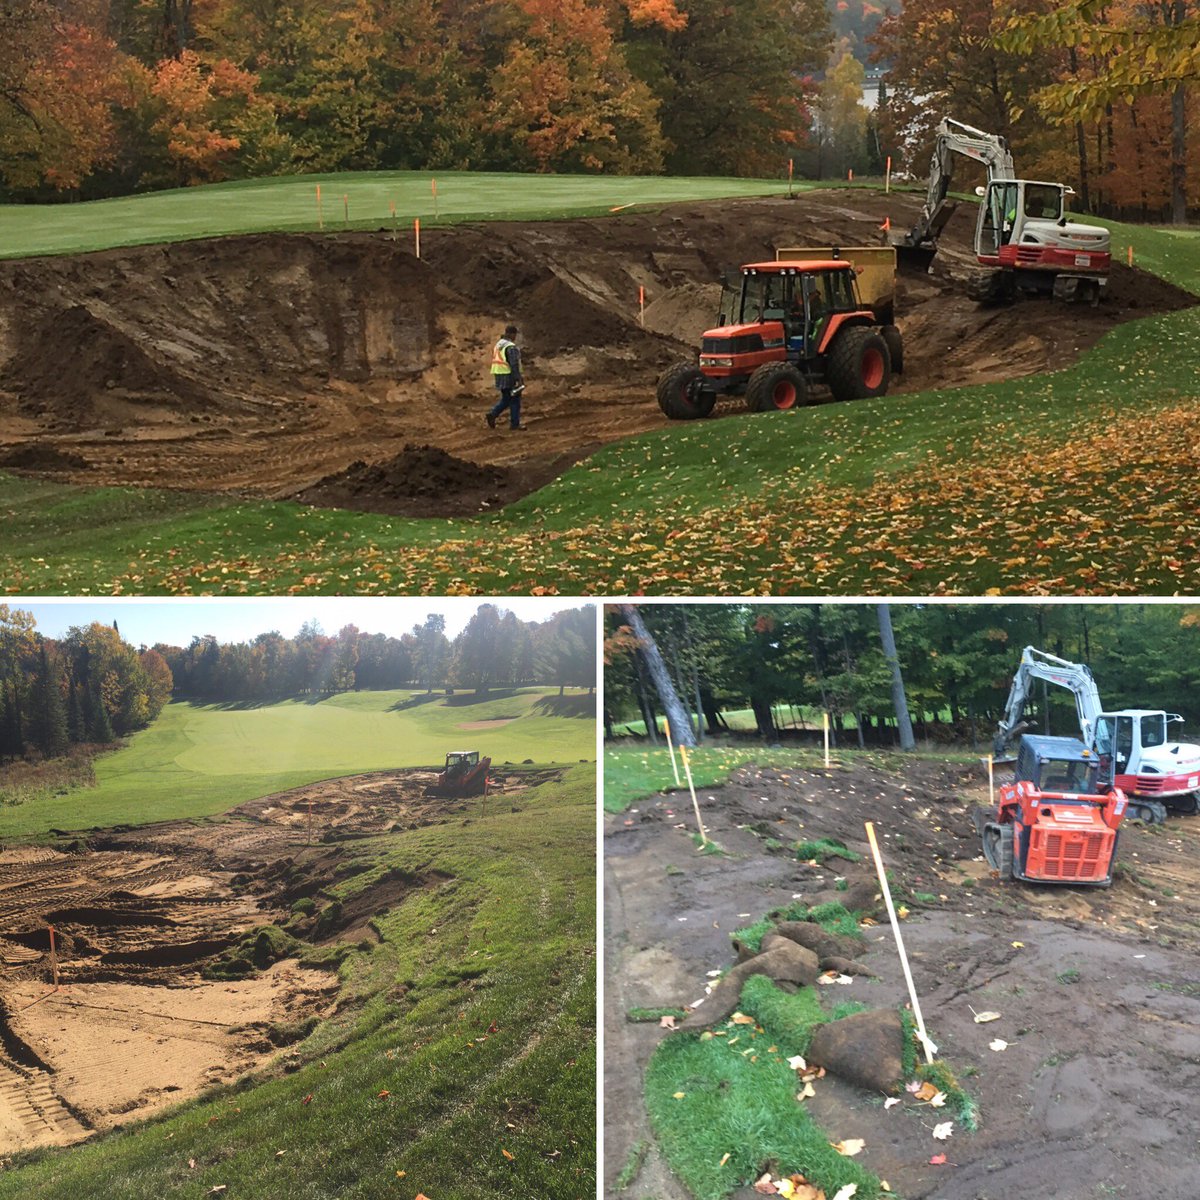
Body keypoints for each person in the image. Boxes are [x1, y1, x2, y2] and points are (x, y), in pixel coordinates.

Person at [487, 324, 525, 431]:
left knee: (506, 399)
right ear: (512, 334)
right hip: (509, 376)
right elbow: (514, 364)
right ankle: (515, 424)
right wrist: (518, 379)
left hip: (499, 375)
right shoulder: (510, 347)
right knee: (515, 400)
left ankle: (493, 414)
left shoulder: (499, 345)